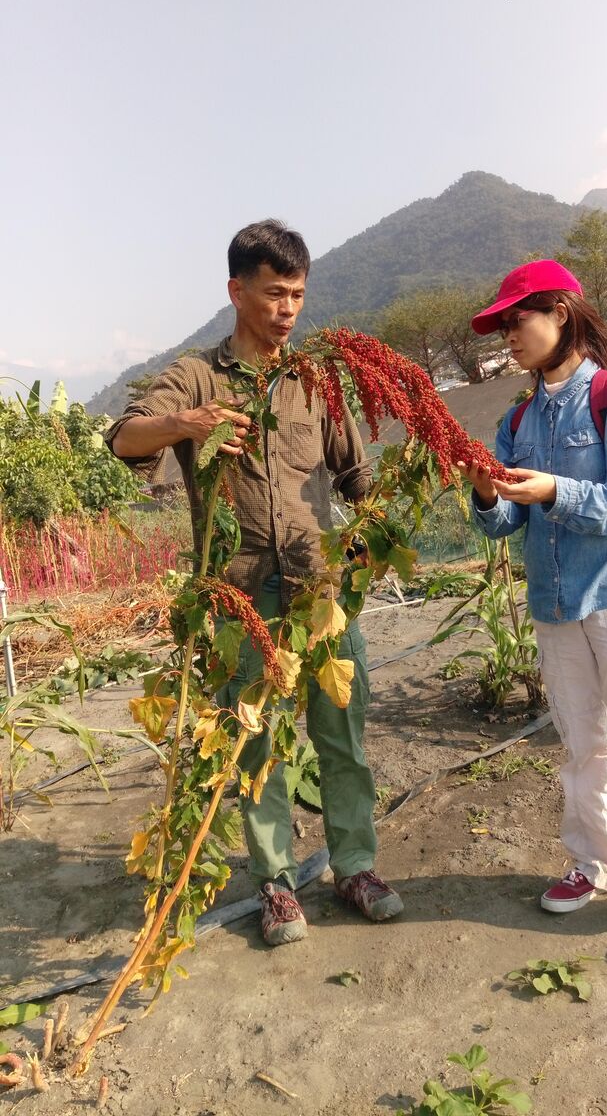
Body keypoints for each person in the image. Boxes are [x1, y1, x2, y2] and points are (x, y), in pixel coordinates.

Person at [105, 219, 403, 946]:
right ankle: (275, 884)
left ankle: (354, 866)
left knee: (341, 735)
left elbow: (356, 476)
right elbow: (123, 438)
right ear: (237, 291)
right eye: (274, 293)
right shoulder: (196, 377)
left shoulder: (315, 380)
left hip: (319, 591)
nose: (287, 309)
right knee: (254, 742)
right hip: (239, 599)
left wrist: (380, 524)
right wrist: (187, 422)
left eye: (297, 294)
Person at [458, 258, 607, 961]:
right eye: (500, 326)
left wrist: (557, 491)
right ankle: (593, 862)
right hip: (554, 605)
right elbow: (499, 528)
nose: (507, 337)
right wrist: (486, 494)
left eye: (516, 320)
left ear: (560, 312)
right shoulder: (516, 418)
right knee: (582, 748)